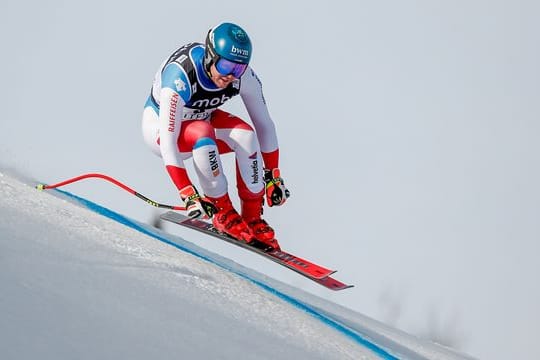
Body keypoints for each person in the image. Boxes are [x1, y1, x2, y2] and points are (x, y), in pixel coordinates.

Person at [142, 22, 290, 249]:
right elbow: (169, 143)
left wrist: (273, 176)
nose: (231, 75)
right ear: (211, 56)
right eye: (226, 66)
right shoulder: (180, 75)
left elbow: (264, 125)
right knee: (202, 131)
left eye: (238, 69)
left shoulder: (243, 77)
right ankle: (222, 211)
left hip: (203, 118)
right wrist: (188, 193)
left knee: (246, 136)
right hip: (161, 131)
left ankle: (252, 219)